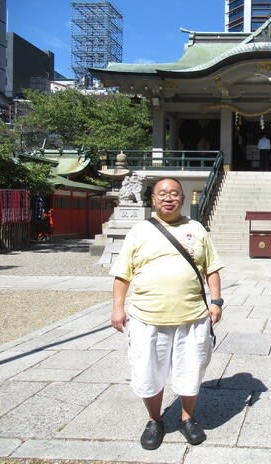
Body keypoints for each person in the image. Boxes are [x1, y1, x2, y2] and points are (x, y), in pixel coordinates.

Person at [110, 177, 224, 450]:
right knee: (149, 371)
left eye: (175, 193)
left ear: (183, 199)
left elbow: (212, 268)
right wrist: (117, 307)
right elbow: (122, 273)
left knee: (191, 370)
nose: (168, 198)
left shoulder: (196, 229)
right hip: (147, 317)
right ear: (153, 199)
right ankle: (154, 419)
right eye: (162, 193)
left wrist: (217, 301)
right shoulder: (139, 231)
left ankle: (187, 418)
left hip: (193, 317)